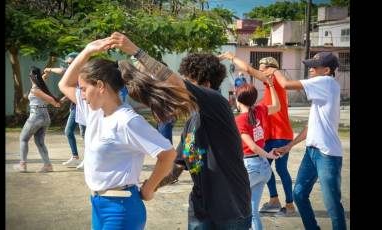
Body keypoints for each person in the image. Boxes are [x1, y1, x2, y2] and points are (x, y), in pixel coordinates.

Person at [107, 32, 252, 229]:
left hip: (231, 209)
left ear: (206, 86)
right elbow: (176, 168)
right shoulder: (192, 121)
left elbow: (174, 82)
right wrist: (147, 187)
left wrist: (136, 51)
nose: (179, 87)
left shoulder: (218, 105)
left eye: (188, 81)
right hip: (201, 209)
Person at [58, 37, 198, 229]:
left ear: (100, 86)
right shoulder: (94, 112)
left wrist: (149, 188)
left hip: (121, 209)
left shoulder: (127, 120)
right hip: (98, 204)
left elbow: (168, 154)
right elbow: (64, 85)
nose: (80, 94)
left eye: (83, 89)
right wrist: (88, 50)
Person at [270, 52, 347, 230]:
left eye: (314, 66)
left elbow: (286, 84)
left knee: (333, 204)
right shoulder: (321, 91)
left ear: (326, 70)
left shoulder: (326, 82)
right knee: (299, 194)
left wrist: (274, 70)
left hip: (327, 154)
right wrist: (289, 145)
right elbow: (310, 127)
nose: (310, 69)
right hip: (312, 151)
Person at [220, 52, 297, 216]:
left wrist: (231, 57)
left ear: (271, 70)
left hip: (281, 134)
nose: (260, 73)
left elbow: (248, 69)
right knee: (266, 168)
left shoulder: (274, 82)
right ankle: (274, 199)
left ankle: (290, 205)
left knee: (281, 169)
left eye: (262, 70)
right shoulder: (268, 92)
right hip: (270, 136)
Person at [234, 79, 280, 230]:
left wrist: (269, 155)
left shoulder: (240, 119)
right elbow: (277, 106)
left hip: (250, 167)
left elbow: (252, 146)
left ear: (238, 99)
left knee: (235, 209)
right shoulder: (259, 110)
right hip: (263, 169)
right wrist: (272, 86)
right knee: (252, 212)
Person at [44, 52, 86, 169]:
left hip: (83, 107)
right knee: (68, 131)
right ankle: (75, 157)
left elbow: (63, 71)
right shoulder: (72, 75)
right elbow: (71, 91)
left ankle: (89, 160)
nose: (68, 65)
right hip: (74, 107)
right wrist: (62, 100)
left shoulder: (82, 72)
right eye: (67, 63)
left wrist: (50, 69)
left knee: (85, 134)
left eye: (70, 63)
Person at [18, 66, 61, 173]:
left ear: (31, 77)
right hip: (45, 117)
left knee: (23, 139)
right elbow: (43, 78)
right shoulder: (40, 85)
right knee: (40, 142)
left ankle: (23, 165)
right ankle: (48, 165)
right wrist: (48, 72)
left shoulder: (36, 90)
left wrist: (56, 102)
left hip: (36, 116)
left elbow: (51, 100)